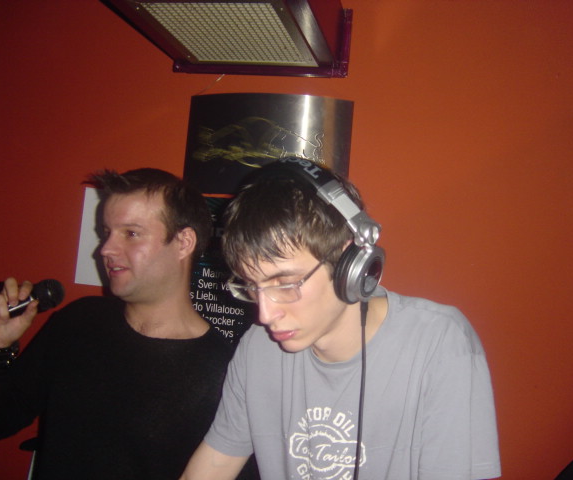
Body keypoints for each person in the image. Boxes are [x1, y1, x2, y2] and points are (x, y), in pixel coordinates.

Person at [180, 157, 502, 480]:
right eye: (252, 286)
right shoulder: (257, 349)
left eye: (286, 284)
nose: (265, 314)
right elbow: (215, 464)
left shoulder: (439, 343)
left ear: (349, 262)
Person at [0, 168, 256, 480]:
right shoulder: (78, 322)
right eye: (106, 232)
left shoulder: (225, 373)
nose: (105, 249)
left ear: (184, 242)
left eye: (131, 233)